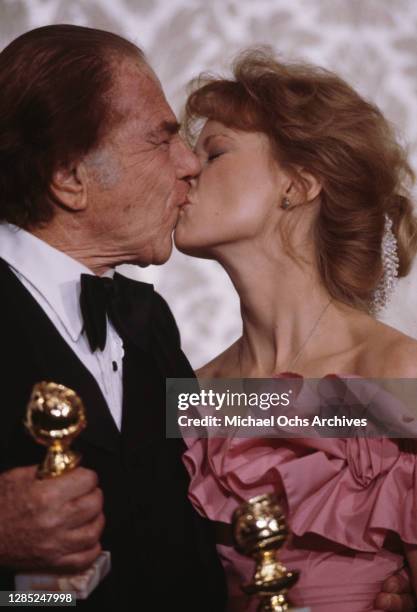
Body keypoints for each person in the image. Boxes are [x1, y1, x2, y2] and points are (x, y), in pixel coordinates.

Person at [175, 49, 417, 611]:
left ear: (298, 186)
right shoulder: (190, 393)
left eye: (214, 153)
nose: (185, 168)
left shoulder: (396, 376)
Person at [0, 25, 227, 610]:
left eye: (213, 149)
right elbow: (36, 599)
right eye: (161, 139)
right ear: (69, 177)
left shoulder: (146, 315)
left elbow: (254, 411)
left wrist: (382, 408)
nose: (192, 165)